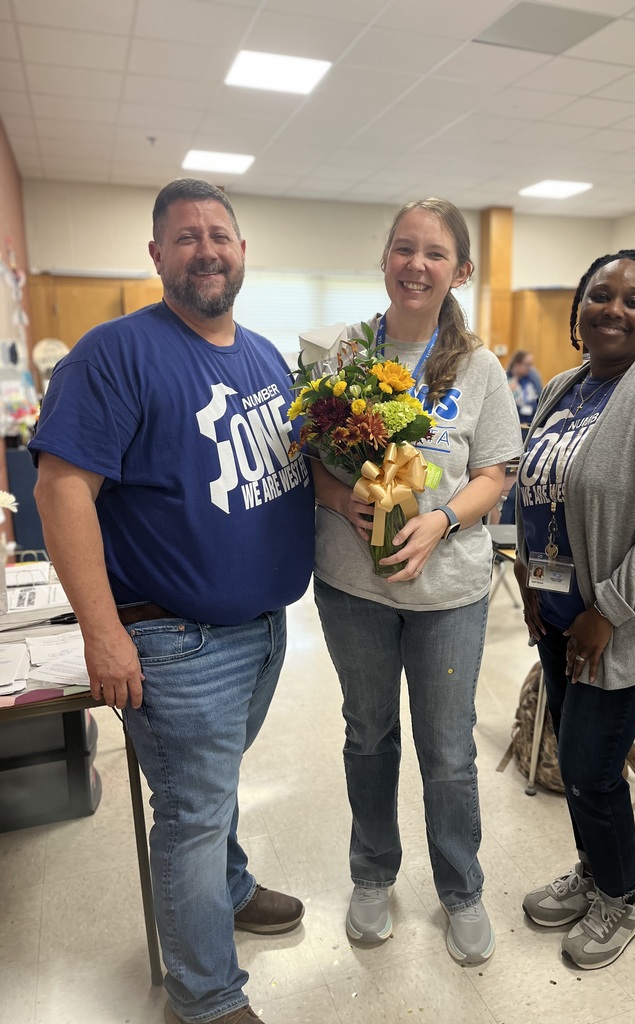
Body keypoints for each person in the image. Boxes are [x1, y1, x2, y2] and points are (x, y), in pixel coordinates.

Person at [29, 179, 315, 1024]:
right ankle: (205, 998)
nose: (206, 250)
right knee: (191, 814)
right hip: (176, 641)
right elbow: (60, 491)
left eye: (219, 234)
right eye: (185, 237)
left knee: (210, 791)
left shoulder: (262, 354)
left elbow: (292, 474)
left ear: (241, 250)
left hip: (262, 632)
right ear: (157, 256)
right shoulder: (113, 354)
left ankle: (226, 892)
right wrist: (102, 632)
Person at [307, 198, 523, 965]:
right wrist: (341, 497)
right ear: (386, 259)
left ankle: (460, 887)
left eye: (435, 253)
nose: (416, 264)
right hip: (352, 587)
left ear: (459, 270)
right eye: (404, 248)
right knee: (368, 736)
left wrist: (441, 522)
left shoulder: (480, 367)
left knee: (449, 750)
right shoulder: (342, 357)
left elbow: (495, 471)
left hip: (449, 597)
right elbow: (308, 461)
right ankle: (372, 874)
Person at [513, 248, 635, 970]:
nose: (615, 310)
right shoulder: (564, 387)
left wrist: (610, 609)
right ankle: (593, 870)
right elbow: (536, 491)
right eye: (602, 294)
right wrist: (530, 580)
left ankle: (623, 897)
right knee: (575, 758)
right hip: (560, 617)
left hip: (621, 626)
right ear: (579, 306)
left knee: (592, 768)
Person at [507, 349, 542, 434]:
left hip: (532, 422)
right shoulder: (506, 380)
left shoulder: (533, 378)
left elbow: (541, 399)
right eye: (527, 365)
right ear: (517, 364)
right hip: (515, 425)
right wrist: (509, 391)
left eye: (531, 365)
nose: (530, 368)